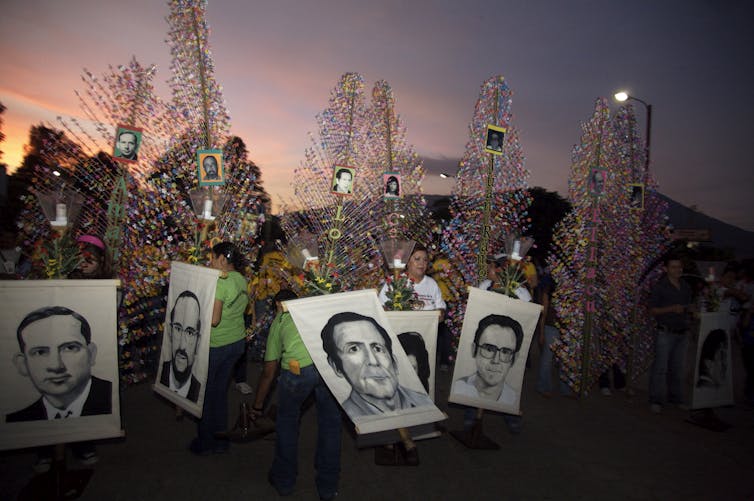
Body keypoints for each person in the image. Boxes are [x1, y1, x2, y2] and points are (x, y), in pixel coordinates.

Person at [250, 290, 341, 500]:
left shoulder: (279, 321)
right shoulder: (312, 310)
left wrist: (257, 406)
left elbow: (269, 372)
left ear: (278, 306)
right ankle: (328, 487)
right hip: (326, 367)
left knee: (287, 423)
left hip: (297, 371)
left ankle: (284, 481)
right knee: (330, 425)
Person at [189, 242, 248, 455]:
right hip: (236, 343)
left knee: (204, 394)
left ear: (223, 259)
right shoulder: (240, 279)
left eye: (213, 258)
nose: (210, 262)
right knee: (219, 393)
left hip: (217, 345)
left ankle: (206, 442)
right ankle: (221, 440)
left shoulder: (220, 283)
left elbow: (213, 319)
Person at [7, 306, 112, 422]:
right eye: (40, 352)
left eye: (70, 348)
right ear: (23, 364)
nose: (56, 366)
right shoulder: (18, 421)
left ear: (91, 354)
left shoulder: (114, 400)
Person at [321, 311, 433, 416]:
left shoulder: (424, 402)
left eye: (378, 349)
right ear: (337, 367)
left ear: (394, 362)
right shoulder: (353, 415)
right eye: (354, 349)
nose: (373, 361)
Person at [379, 244, 448, 367]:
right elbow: (381, 308)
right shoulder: (395, 282)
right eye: (417, 259)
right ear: (407, 262)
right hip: (398, 343)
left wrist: (439, 315)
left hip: (426, 343)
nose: (422, 263)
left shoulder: (431, 284)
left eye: (425, 260)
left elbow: (441, 310)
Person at [648, 254, 693, 413]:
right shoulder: (660, 287)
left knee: (678, 367)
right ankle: (656, 399)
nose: (678, 270)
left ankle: (676, 398)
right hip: (665, 331)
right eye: (674, 267)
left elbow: (688, 306)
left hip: (682, 331)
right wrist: (672, 308)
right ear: (666, 269)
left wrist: (690, 310)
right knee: (660, 367)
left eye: (679, 267)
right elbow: (653, 310)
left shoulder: (686, 286)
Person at [452, 314, 523, 404]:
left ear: (515, 359)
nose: (495, 360)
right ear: (474, 350)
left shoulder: (513, 399)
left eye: (505, 352)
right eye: (489, 349)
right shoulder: (457, 389)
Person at [160, 290, 203, 403]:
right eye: (178, 329)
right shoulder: (160, 375)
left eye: (190, 332)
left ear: (198, 342)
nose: (182, 345)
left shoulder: (199, 389)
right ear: (170, 332)